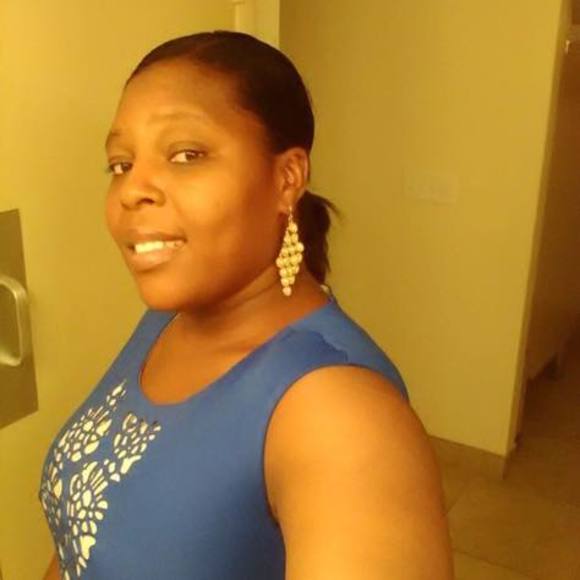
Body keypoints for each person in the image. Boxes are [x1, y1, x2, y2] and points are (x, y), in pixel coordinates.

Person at [38, 30, 453, 580]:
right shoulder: (167, 319)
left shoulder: (341, 416)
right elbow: (82, 542)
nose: (132, 190)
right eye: (120, 164)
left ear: (286, 179)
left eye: (186, 155)